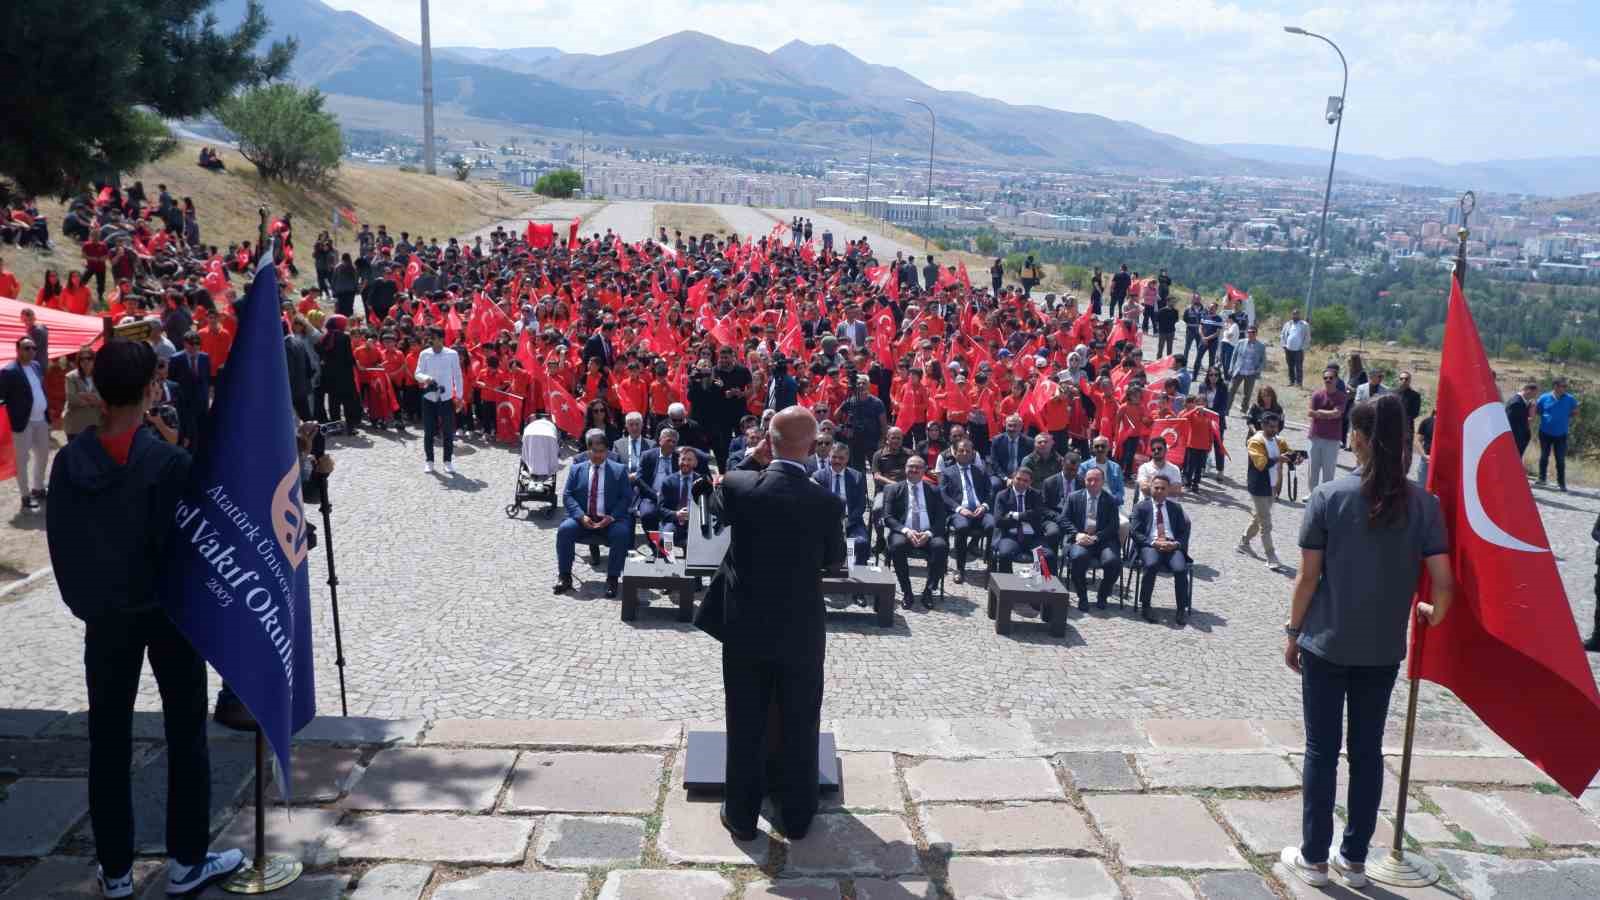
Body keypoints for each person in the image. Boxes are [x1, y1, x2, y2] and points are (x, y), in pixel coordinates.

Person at [45, 339, 244, 898]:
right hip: (169, 615)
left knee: (107, 742)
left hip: (104, 617)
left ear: (95, 390)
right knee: (186, 735)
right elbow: (197, 541)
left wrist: (85, 603)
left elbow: (61, 542)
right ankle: (186, 862)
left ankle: (115, 873)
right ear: (154, 389)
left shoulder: (69, 462)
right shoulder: (168, 461)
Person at [1280, 394, 1453, 890]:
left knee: (1321, 750)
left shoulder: (1328, 497)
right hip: (1383, 651)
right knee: (1368, 752)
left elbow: (1306, 580)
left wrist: (1292, 634)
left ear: (1356, 437)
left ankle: (1315, 858)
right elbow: (1444, 583)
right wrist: (1430, 614)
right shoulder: (1425, 505)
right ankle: (1355, 859)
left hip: (1326, 643)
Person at [692, 406, 845, 843]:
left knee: (745, 719)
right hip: (800, 628)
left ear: (767, 442)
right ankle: (797, 816)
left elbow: (719, 499)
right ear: (815, 447)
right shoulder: (826, 501)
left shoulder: (742, 485)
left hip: (746, 627)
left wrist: (753, 458)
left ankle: (741, 815)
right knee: (800, 720)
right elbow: (833, 560)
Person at [555, 428, 635, 598]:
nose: (598, 455)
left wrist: (612, 516)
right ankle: (565, 576)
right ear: (588, 450)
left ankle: (612, 578)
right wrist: (580, 516)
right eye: (594, 451)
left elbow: (627, 497)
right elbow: (568, 495)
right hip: (583, 519)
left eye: (601, 451)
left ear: (607, 451)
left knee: (621, 533)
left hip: (610, 520)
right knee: (564, 530)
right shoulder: (577, 469)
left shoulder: (619, 470)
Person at [883, 455, 948, 609]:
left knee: (941, 547)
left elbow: (941, 518)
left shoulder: (933, 490)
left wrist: (928, 534)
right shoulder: (894, 489)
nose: (913, 470)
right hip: (904, 533)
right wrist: (906, 531)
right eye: (910, 466)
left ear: (924, 470)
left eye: (918, 467)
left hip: (927, 533)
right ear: (905, 468)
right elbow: (888, 517)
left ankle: (929, 590)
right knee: (896, 546)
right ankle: (907, 591)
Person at [1131, 474, 1191, 625]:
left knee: (1180, 569)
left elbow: (1184, 532)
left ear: (1168, 490)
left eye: (1162, 488)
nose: (1159, 491)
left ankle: (1181, 609)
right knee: (1151, 565)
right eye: (1156, 488)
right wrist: (1153, 543)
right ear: (1150, 488)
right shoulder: (1141, 507)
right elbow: (1135, 532)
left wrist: (1176, 544)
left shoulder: (1175, 508)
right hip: (1150, 544)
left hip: (1172, 545)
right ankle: (1145, 605)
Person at [1, 337, 52, 511]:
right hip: (23, 423)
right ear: (18, 350)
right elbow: (1, 398)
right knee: (22, 460)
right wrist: (9, 416)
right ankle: (25, 496)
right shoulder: (9, 371)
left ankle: (38, 488)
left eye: (33, 348)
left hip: (41, 421)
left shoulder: (36, 366)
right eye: (26, 348)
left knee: (43, 456)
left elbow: (40, 390)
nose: (31, 351)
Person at [1061, 466, 1122, 610]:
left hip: (1103, 540)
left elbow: (1114, 525)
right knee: (1078, 558)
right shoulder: (1074, 497)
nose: (1092, 483)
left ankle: (1103, 595)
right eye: (1089, 480)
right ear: (1084, 480)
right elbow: (1063, 520)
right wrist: (1077, 534)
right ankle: (1082, 597)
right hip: (1080, 539)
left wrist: (1096, 538)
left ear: (1103, 482)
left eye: (1096, 480)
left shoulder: (1110, 500)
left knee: (1113, 562)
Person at [1241, 413, 1289, 571]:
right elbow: (1260, 463)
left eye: (1276, 426)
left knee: (1259, 517)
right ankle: (1271, 556)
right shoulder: (1255, 441)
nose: (1274, 429)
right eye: (1270, 426)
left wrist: (1295, 457)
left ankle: (1244, 542)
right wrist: (1278, 459)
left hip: (1273, 485)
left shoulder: (1278, 440)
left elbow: (1287, 451)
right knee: (1266, 524)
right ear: (1262, 425)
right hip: (1260, 487)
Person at [940, 439, 993, 583]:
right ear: (955, 453)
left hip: (979, 510)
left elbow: (990, 492)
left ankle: (990, 565)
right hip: (959, 512)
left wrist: (984, 506)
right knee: (962, 527)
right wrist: (959, 509)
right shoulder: (947, 472)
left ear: (972, 453)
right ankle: (960, 568)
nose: (965, 453)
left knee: (992, 525)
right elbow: (943, 495)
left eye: (968, 451)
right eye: (961, 451)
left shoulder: (980, 471)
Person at [413, 327, 463, 475]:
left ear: (441, 338)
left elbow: (458, 376)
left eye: (433, 337)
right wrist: (425, 378)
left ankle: (447, 461)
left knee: (448, 432)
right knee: (429, 431)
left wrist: (459, 397)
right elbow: (417, 373)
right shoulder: (424, 354)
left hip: (446, 398)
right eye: (430, 337)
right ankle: (429, 461)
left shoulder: (452, 354)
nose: (430, 340)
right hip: (429, 398)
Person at [815, 441, 870, 568]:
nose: (837, 461)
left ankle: (857, 578)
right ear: (829, 457)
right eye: (834, 457)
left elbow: (861, 505)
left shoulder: (857, 477)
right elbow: (816, 505)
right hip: (825, 523)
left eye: (841, 458)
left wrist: (847, 521)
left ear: (847, 459)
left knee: (861, 543)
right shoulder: (818, 476)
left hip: (851, 522)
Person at [991, 466, 1050, 574]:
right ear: (1013, 478)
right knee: (1005, 554)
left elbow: (1038, 515)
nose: (1021, 483)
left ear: (1030, 482)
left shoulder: (1036, 495)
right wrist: (1027, 517)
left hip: (1032, 537)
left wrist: (1015, 515)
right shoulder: (1002, 495)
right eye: (1018, 479)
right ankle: (1006, 586)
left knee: (1047, 556)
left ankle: (1043, 585)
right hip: (1010, 536)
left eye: (1025, 480)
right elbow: (999, 521)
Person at [167, 332, 212, 452]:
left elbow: (206, 380)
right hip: (184, 403)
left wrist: (206, 399)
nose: (195, 347)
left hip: (201, 402)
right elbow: (172, 381)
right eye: (192, 344)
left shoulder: (205, 357)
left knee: (202, 429)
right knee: (189, 432)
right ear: (185, 344)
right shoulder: (176, 359)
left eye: (197, 344)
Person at [656, 446, 704, 550]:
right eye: (683, 459)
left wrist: (693, 514)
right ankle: (668, 562)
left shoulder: (702, 482)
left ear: (695, 463)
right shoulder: (668, 482)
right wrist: (676, 514)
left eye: (689, 460)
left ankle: (686, 547)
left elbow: (708, 507)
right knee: (665, 541)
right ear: (678, 461)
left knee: (694, 546)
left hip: (695, 522)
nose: (685, 463)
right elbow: (660, 509)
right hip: (673, 521)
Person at [1307, 366, 1346, 491]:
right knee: (1313, 467)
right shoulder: (1317, 394)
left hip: (1332, 438)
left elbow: (1337, 413)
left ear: (1336, 379)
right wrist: (1327, 414)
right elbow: (1310, 412)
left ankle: (1325, 496)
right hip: (1315, 436)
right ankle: (1312, 494)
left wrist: (1319, 412)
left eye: (1331, 378)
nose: (1328, 380)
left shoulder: (1341, 396)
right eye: (1325, 378)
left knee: (1328, 470)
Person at [1536, 377, 1578, 491]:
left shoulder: (1570, 399)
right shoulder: (1544, 397)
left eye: (1565, 386)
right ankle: (1542, 478)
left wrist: (1563, 418)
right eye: (1562, 386)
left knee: (1560, 459)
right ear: (1555, 386)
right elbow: (1538, 411)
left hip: (1561, 434)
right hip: (1545, 432)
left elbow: (1575, 411)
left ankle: (1561, 483)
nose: (1565, 388)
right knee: (1544, 456)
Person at [63, 347, 103, 439]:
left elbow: (104, 396)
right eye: (82, 359)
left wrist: (84, 395)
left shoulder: (101, 376)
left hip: (95, 424)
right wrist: (94, 399)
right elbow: (72, 398)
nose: (85, 361)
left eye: (89, 358)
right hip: (75, 425)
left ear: (94, 360)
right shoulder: (70, 377)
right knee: (76, 453)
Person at [1230, 325, 1266, 413]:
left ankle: (1244, 410)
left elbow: (1263, 361)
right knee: (1231, 390)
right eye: (1249, 332)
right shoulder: (1241, 342)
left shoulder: (1261, 346)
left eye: (1253, 332)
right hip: (1239, 371)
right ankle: (1226, 409)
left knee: (1247, 394)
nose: (1250, 334)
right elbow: (1234, 356)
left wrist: (1257, 370)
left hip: (1251, 373)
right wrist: (1231, 367)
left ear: (1256, 333)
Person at [1505, 381, 1538, 465]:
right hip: (1515, 440)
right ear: (1527, 390)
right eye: (1533, 394)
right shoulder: (1516, 403)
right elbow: (1511, 422)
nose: (1533, 397)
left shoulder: (1523, 402)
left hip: (1519, 439)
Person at [1280, 308, 1309, 387]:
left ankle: (1299, 383)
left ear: (1299, 315)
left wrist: (1303, 347)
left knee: (1298, 367)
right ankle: (1291, 381)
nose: (1295, 315)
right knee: (1290, 366)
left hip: (1299, 350)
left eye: (1297, 314)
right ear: (1292, 315)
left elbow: (1307, 337)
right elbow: (1282, 334)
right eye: (1294, 314)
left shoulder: (1304, 324)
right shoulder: (1288, 324)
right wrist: (1283, 345)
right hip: (1288, 349)